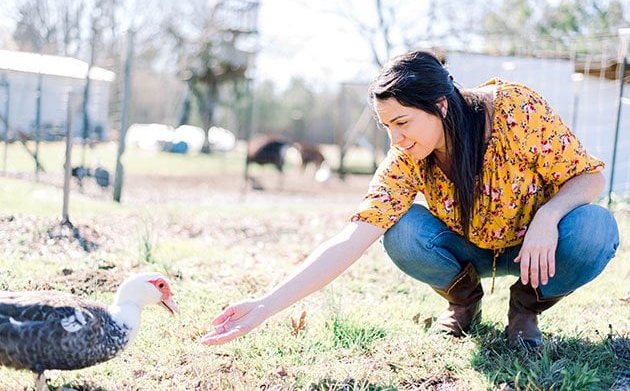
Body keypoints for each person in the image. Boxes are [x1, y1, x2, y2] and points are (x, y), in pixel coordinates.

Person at [201, 50, 619, 349]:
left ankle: (524, 310)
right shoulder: (406, 156)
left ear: (440, 104)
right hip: (468, 248)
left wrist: (550, 214)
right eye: (386, 127)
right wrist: (264, 306)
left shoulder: (514, 109)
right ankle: (464, 303)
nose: (396, 138)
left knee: (596, 230)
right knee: (400, 230)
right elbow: (351, 238)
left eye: (402, 122)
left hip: (534, 248)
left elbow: (589, 177)